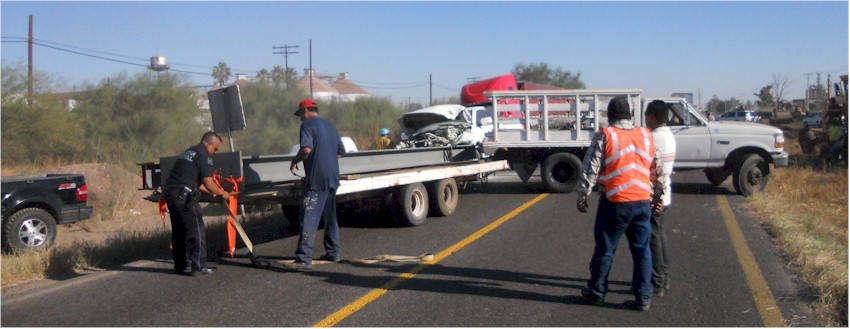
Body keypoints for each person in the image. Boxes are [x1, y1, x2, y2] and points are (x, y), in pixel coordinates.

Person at [576, 96, 665, 312]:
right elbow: (658, 169)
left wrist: (583, 195)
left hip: (615, 203)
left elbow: (591, 168)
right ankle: (643, 298)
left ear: (611, 115)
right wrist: (658, 197)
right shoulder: (646, 135)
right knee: (642, 250)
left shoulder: (605, 135)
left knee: (605, 249)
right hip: (642, 202)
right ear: (630, 115)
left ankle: (596, 292)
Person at [163, 131, 233, 276]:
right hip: (186, 196)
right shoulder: (204, 155)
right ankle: (199, 266)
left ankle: (180, 266)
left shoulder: (189, 152)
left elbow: (195, 181)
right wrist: (222, 193)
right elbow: (208, 182)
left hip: (172, 194)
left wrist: (212, 191)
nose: (215, 152)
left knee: (179, 230)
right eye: (215, 148)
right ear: (208, 144)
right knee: (196, 229)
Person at [287, 99, 345, 271]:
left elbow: (306, 150)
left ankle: (304, 258)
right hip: (333, 178)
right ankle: (334, 252)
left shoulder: (307, 125)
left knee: (309, 217)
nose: (300, 119)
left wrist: (294, 161)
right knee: (330, 218)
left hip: (317, 180)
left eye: (300, 115)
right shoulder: (330, 126)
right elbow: (340, 152)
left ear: (306, 111)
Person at [644, 100, 677, 297]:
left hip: (655, 195)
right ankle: (663, 277)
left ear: (653, 117)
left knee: (653, 239)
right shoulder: (669, 136)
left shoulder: (653, 138)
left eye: (646, 116)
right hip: (665, 193)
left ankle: (657, 282)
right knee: (659, 235)